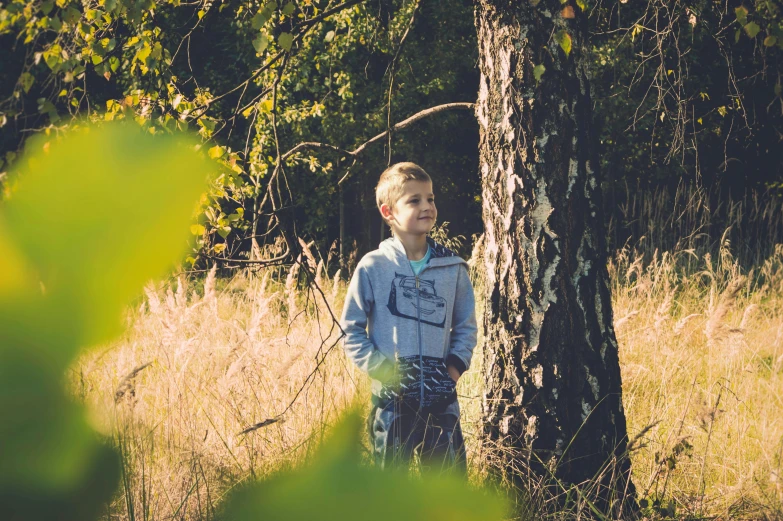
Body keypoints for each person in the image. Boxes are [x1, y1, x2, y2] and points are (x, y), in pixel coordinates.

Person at [339, 162, 478, 475]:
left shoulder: (453, 268)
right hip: (391, 401)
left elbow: (466, 327)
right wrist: (385, 372)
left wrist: (451, 374)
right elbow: (350, 330)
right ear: (389, 212)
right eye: (414, 200)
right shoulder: (373, 266)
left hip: (442, 400)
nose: (427, 206)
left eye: (430, 198)